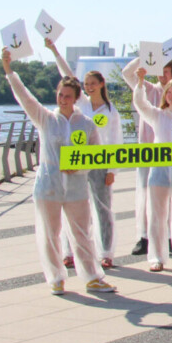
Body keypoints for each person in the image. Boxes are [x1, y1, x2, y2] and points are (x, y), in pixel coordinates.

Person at [1, 48, 116, 295]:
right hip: (49, 185)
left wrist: (79, 165)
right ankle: (56, 278)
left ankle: (92, 277)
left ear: (75, 98)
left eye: (67, 96)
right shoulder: (45, 119)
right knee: (50, 234)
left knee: (82, 233)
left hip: (75, 187)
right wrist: (9, 71)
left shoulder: (86, 124)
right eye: (60, 95)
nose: (62, 99)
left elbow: (96, 157)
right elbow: (25, 97)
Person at [47, 38, 122, 269]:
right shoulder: (82, 104)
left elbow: (116, 141)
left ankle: (106, 252)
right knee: (74, 207)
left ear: (101, 84)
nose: (88, 86)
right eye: (86, 84)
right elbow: (67, 74)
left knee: (103, 208)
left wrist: (112, 169)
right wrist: (55, 51)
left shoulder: (111, 111)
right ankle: (69, 251)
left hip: (101, 163)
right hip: (78, 163)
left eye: (92, 83)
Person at [131, 65, 172, 273]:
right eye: (168, 92)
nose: (171, 96)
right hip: (159, 171)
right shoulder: (158, 115)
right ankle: (157, 257)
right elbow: (140, 104)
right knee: (156, 214)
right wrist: (140, 83)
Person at [122, 55, 172, 257]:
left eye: (166, 72)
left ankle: (171, 237)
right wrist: (145, 55)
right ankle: (144, 236)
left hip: (170, 153)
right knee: (144, 194)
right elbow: (126, 74)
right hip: (147, 150)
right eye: (160, 71)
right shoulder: (148, 89)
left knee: (171, 196)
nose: (162, 76)